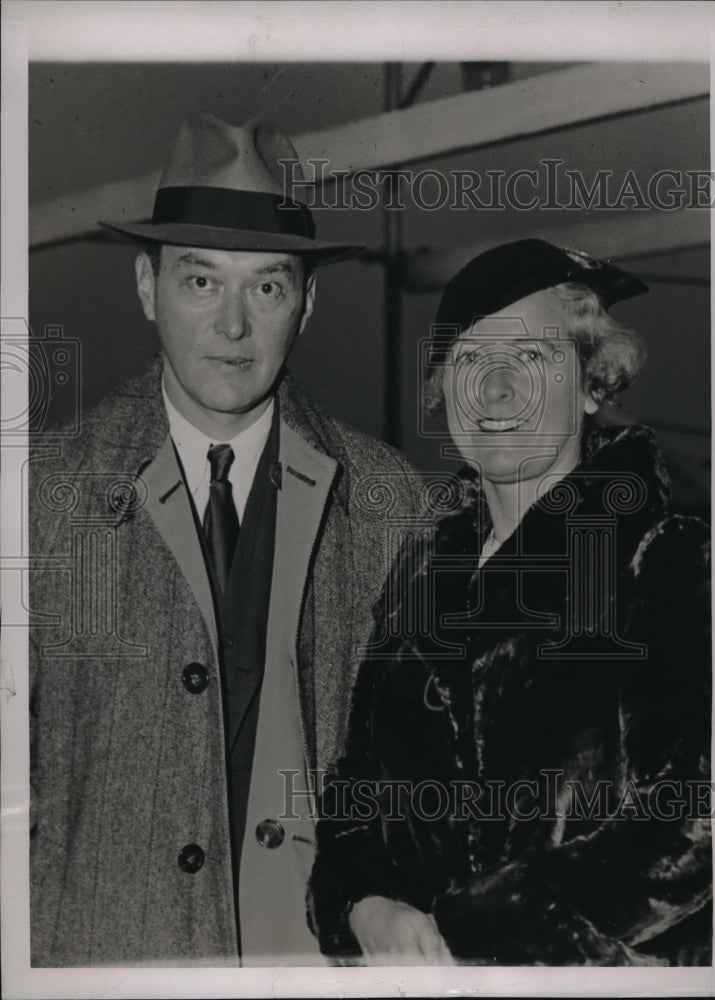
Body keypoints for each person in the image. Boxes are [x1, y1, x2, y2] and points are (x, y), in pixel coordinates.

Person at [29, 114, 424, 967]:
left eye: (268, 288)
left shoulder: (390, 501)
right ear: (147, 286)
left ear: (307, 303)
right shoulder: (38, 497)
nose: (234, 327)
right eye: (202, 283)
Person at [307, 239, 712, 966]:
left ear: (591, 382)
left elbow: (692, 820)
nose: (494, 389)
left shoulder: (664, 548)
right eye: (468, 360)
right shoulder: (420, 564)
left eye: (529, 358)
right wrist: (363, 904)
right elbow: (354, 788)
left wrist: (473, 924)